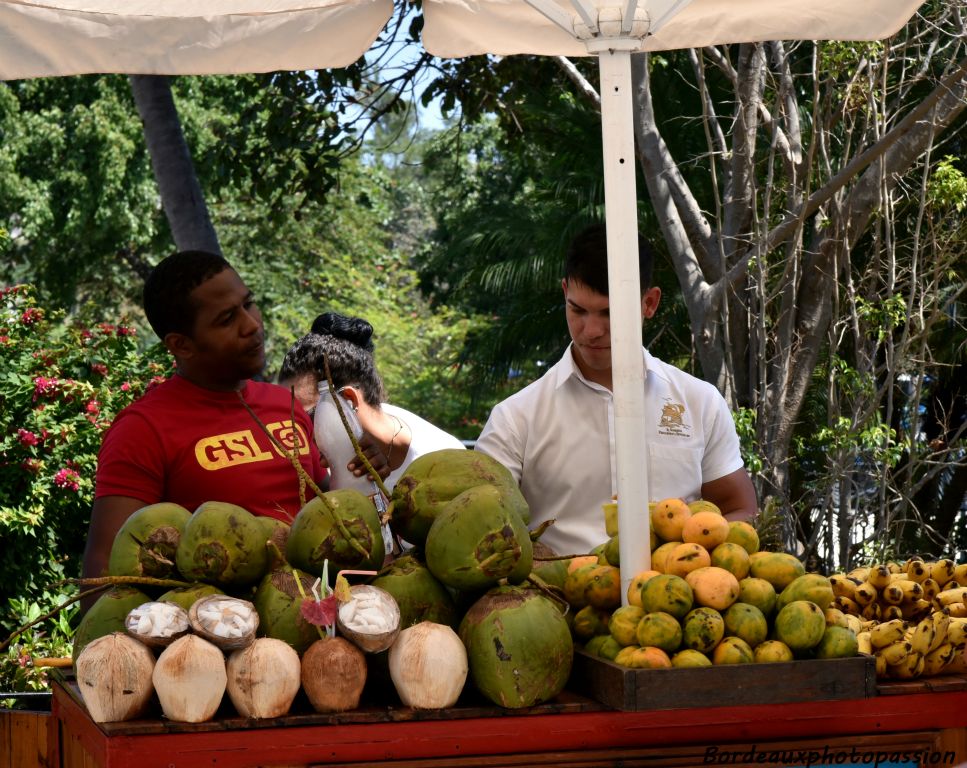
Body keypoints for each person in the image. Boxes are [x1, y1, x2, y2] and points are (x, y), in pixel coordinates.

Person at [475, 224, 758, 556]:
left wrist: (687, 562)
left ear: (649, 303)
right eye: (577, 309)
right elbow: (481, 524)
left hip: (669, 601)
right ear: (564, 292)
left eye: (610, 313)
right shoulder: (515, 418)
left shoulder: (699, 403)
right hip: (554, 603)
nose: (591, 331)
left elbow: (740, 511)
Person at [82, 251, 328, 588]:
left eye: (248, 304)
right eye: (227, 319)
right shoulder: (142, 429)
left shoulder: (284, 403)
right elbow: (104, 571)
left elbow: (320, 506)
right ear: (181, 344)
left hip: (319, 618)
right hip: (219, 630)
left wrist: (364, 466)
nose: (252, 324)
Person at [278, 312, 466, 492]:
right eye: (288, 420)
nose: (294, 434)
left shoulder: (447, 463)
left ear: (349, 402)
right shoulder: (314, 468)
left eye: (307, 419)